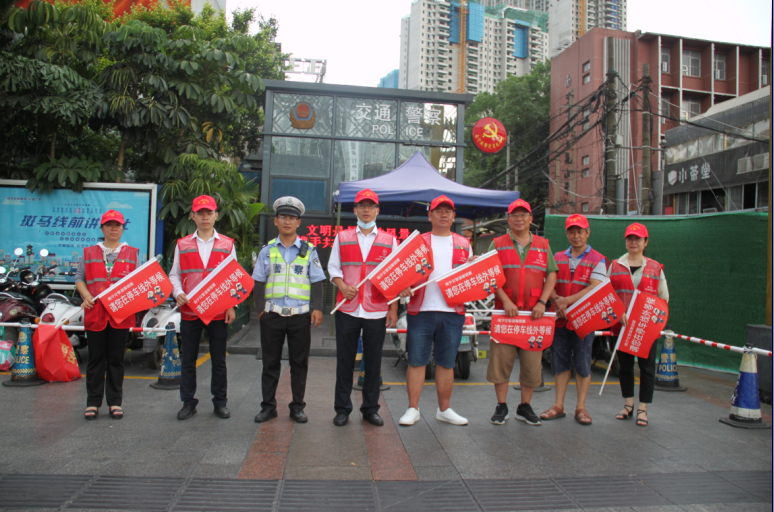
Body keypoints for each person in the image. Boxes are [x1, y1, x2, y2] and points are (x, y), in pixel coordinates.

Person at [328, 189, 410, 427]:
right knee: (344, 361)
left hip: (376, 310)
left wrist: (393, 309)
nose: (366, 210)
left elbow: (394, 277)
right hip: (348, 308)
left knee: (373, 362)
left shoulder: (389, 240)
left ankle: (370, 409)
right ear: (355, 210)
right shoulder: (342, 237)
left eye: (370, 206)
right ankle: (342, 409)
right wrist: (343, 286)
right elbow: (333, 269)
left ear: (377, 210)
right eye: (361, 206)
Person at [399, 195, 472, 427]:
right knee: (417, 361)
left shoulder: (464, 244)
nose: (443, 214)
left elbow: (471, 276)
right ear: (429, 215)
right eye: (438, 211)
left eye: (447, 211)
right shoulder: (418, 242)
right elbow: (403, 274)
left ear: (453, 216)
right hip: (421, 310)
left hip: (453, 312)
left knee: (447, 362)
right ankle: (413, 408)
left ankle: (445, 409)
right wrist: (403, 286)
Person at [252, 197, 325, 424]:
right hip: (272, 315)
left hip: (300, 316)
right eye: (283, 217)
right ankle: (268, 407)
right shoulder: (267, 251)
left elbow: (317, 281)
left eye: (292, 218)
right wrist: (260, 312)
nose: (287, 221)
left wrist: (318, 309)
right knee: (270, 363)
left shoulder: (308, 250)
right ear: (276, 221)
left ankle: (297, 407)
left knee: (299, 363)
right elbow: (258, 282)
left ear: (298, 223)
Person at [485, 199, 557, 426]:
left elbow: (552, 274)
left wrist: (543, 302)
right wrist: (505, 301)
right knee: (501, 363)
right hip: (505, 314)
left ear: (530, 219)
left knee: (531, 364)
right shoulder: (497, 243)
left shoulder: (543, 245)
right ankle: (501, 405)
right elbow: (489, 272)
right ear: (508, 219)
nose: (519, 219)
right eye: (514, 215)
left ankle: (525, 406)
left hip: (534, 316)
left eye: (523, 215)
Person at [169, 195, 237, 421]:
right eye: (200, 213)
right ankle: (188, 402)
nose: (205, 217)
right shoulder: (183, 244)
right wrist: (178, 293)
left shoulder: (228, 244)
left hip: (218, 311)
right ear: (193, 216)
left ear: (216, 215)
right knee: (188, 359)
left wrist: (231, 305)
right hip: (190, 311)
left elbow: (233, 278)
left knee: (218, 359)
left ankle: (220, 402)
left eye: (209, 213)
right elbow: (174, 275)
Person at [542, 214, 607, 426]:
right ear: (567, 233)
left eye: (580, 231)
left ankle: (581, 407)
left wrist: (567, 301)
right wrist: (557, 302)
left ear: (588, 233)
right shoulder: (558, 256)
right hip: (559, 318)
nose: (576, 235)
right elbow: (547, 281)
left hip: (583, 320)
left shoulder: (598, 259)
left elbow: (595, 286)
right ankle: (558, 405)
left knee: (582, 363)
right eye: (572, 231)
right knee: (559, 362)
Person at [75, 210, 139, 420]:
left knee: (116, 359)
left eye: (118, 225)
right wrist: (86, 295)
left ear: (122, 228)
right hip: (96, 313)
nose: (114, 229)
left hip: (120, 315)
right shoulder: (89, 252)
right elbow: (80, 278)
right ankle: (92, 403)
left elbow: (137, 281)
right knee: (95, 359)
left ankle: (115, 402)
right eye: (109, 225)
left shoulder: (132, 253)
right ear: (102, 228)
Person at [608, 222, 669, 427]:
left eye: (638, 239)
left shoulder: (655, 267)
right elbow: (607, 295)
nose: (633, 242)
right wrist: (618, 313)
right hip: (621, 327)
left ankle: (643, 408)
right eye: (630, 238)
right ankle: (628, 405)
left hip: (646, 329)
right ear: (625, 241)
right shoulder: (615, 265)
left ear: (646, 242)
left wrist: (648, 318)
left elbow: (663, 299)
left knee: (647, 368)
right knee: (624, 367)